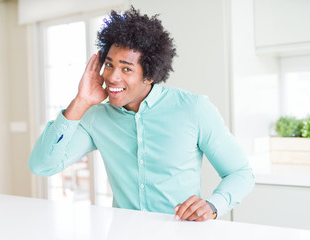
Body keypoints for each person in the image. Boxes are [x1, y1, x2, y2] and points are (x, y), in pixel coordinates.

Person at [28, 7, 254, 222]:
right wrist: (80, 102)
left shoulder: (194, 109)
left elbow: (240, 173)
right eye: (109, 65)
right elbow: (42, 166)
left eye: (126, 69)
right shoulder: (96, 117)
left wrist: (213, 206)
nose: (113, 77)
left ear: (150, 74)